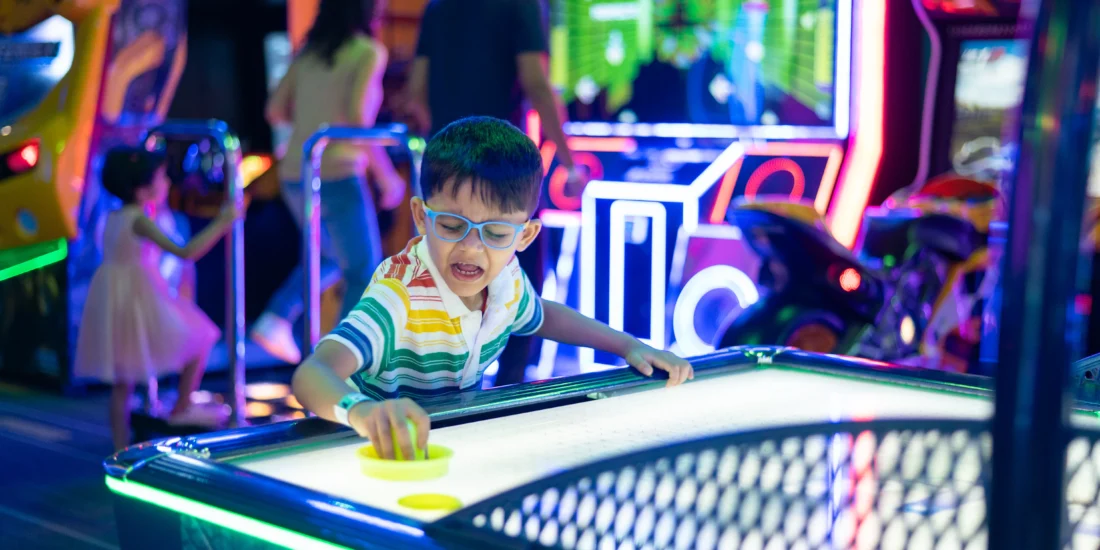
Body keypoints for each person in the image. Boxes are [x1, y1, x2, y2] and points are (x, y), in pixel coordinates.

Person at [291, 117, 693, 459]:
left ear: (525, 235)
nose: (471, 246)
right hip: (372, 455)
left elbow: (542, 315)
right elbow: (314, 373)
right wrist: (360, 411)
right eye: (451, 226)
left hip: (444, 446)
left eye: (496, 232)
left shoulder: (506, 278)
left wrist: (629, 345)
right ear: (420, 216)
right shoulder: (399, 296)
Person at [401, 0, 586, 385]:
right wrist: (568, 161)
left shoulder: (438, 7)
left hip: (446, 165)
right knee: (520, 272)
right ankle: (508, 389)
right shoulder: (521, 5)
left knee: (442, 274)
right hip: (501, 167)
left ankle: (444, 385)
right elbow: (536, 82)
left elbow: (415, 93)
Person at [252, 0, 407, 365]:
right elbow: (357, 119)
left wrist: (310, 112)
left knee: (329, 258)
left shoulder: (309, 53)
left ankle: (276, 316)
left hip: (296, 172)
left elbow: (274, 109)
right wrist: (386, 176)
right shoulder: (367, 52)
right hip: (337, 171)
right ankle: (342, 366)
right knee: (362, 270)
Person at [75, 146, 241, 451]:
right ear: (141, 190)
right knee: (202, 337)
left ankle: (120, 446)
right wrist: (223, 221)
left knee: (122, 383)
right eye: (162, 178)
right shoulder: (139, 219)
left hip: (118, 299)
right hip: (142, 296)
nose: (167, 184)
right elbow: (185, 252)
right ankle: (181, 407)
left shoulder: (115, 216)